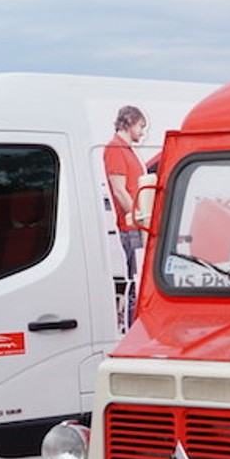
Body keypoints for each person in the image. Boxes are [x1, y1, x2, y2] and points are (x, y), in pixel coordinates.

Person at [103, 105, 149, 325]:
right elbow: (120, 189)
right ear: (129, 123)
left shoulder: (126, 150)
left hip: (136, 225)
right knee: (136, 282)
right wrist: (138, 216)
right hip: (132, 227)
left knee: (138, 281)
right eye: (141, 126)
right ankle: (133, 326)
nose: (143, 132)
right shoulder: (115, 149)